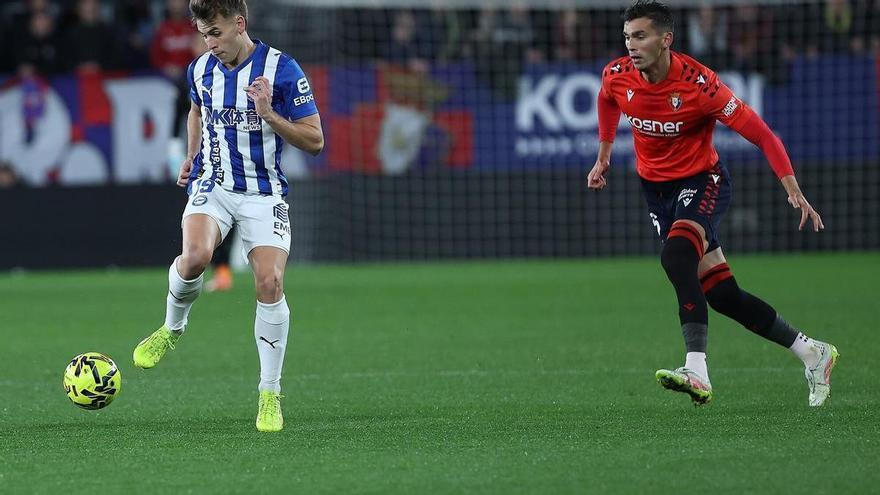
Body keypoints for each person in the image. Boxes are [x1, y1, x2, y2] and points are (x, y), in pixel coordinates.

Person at [587, 1, 838, 407]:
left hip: (704, 180)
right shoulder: (617, 76)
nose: (631, 45)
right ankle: (812, 352)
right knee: (722, 295)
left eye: (641, 36)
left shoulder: (699, 84)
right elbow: (605, 99)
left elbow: (762, 134)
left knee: (676, 255)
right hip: (656, 191)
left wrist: (792, 187)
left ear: (666, 39)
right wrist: (604, 154)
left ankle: (697, 369)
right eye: (628, 37)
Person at [132, 0, 324, 432]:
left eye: (216, 32)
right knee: (196, 257)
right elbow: (197, 108)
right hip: (214, 184)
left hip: (263, 192)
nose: (209, 42)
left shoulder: (282, 70)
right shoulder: (200, 70)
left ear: (240, 24)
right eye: (204, 34)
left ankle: (269, 394)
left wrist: (269, 114)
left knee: (270, 282)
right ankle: (171, 329)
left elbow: (315, 140)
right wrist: (191, 154)